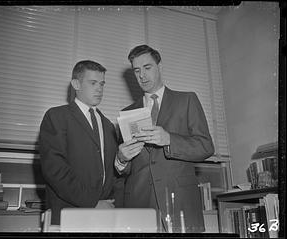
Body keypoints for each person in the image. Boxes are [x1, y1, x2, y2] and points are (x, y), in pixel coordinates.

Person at [115, 45, 215, 233]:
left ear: (160, 67)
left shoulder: (187, 100)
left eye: (147, 67)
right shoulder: (127, 114)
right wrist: (121, 159)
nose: (142, 76)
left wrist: (170, 139)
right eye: (137, 71)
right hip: (139, 205)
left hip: (180, 203)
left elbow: (206, 146)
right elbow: (126, 169)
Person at [39, 60, 123, 225]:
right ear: (76, 84)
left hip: (105, 215)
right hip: (68, 214)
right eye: (93, 83)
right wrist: (92, 203)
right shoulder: (56, 116)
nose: (99, 88)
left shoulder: (108, 125)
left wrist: (115, 205)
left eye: (102, 83)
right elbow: (55, 169)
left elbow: (113, 174)